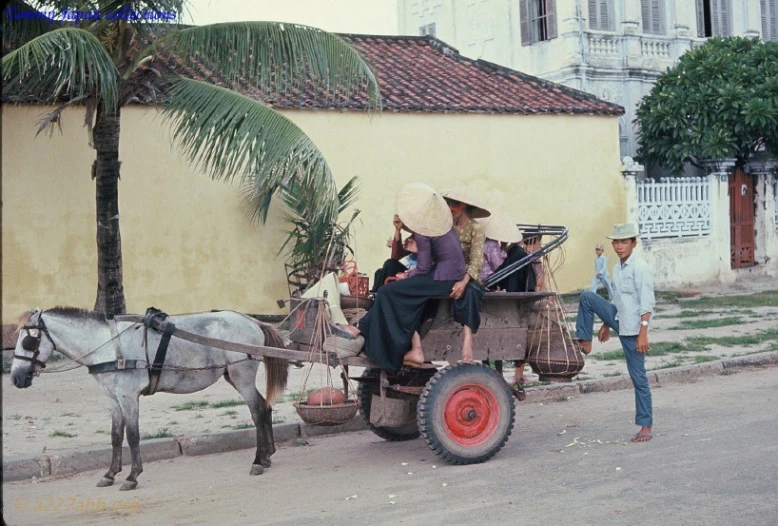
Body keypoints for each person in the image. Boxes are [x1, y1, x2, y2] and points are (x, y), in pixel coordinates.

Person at [342, 182, 466, 371]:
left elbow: (423, 268)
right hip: (446, 275)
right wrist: (409, 274)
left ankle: (362, 331)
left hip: (443, 278)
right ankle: (366, 331)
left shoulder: (424, 228)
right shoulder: (435, 224)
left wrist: (406, 277)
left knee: (386, 292)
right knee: (390, 290)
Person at [575, 223, 656, 443]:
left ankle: (646, 426)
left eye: (625, 242)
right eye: (617, 242)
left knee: (638, 377)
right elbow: (619, 299)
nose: (620, 246)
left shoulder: (640, 268)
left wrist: (643, 333)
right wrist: (606, 324)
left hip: (634, 329)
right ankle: (584, 340)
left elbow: (647, 304)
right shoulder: (618, 267)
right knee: (587, 297)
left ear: (633, 243)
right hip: (619, 318)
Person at [441, 185, 490, 362]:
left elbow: (476, 261)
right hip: (449, 272)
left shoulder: (477, 228)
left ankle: (468, 338)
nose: (449, 210)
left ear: (462, 206)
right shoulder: (448, 227)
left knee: (471, 291)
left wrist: (463, 281)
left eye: (451, 206)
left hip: (469, 274)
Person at [370, 215, 418, 294]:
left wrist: (418, 250)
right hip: (408, 270)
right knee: (380, 272)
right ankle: (376, 296)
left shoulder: (431, 237)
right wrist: (397, 230)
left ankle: (381, 296)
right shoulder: (414, 237)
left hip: (420, 273)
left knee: (390, 264)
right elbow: (396, 256)